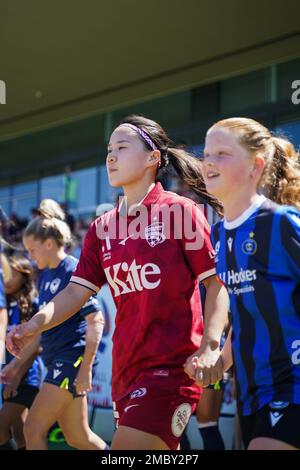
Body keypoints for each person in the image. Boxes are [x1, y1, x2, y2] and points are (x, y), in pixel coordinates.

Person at [6, 115, 229, 450]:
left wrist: (211, 345)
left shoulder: (180, 212)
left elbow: (216, 283)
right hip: (125, 374)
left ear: (153, 158)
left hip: (171, 368)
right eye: (109, 149)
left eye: (122, 148)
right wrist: (33, 325)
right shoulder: (101, 228)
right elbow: (76, 291)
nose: (110, 156)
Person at [190, 117, 300, 450]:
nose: (209, 160)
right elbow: (245, 315)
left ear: (256, 166)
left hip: (291, 384)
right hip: (251, 392)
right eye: (207, 152)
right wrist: (219, 362)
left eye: (222, 153)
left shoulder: (280, 223)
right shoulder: (220, 234)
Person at [5, 200, 108, 450]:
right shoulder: (46, 276)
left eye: (32, 249)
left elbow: (96, 319)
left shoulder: (72, 268)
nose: (30, 256)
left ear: (49, 244)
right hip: (57, 360)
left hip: (70, 360)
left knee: (32, 429)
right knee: (78, 437)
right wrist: (16, 367)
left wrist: (85, 370)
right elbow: (43, 332)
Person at [0, 255, 43, 450]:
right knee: (20, 434)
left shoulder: (33, 304)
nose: (7, 279)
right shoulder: (4, 304)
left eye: (13, 274)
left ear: (25, 277)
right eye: (5, 274)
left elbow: (37, 347)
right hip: (8, 377)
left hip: (26, 379)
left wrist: (16, 379)